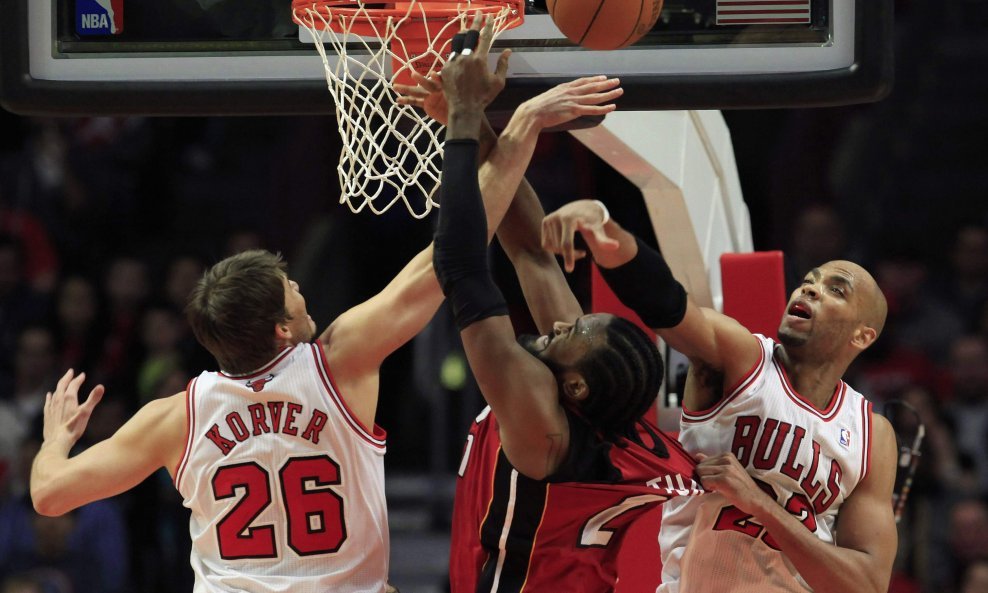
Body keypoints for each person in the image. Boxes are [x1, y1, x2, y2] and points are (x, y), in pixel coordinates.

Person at [27, 18, 622, 593]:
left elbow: (50, 496)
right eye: (293, 291)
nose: (304, 289)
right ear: (284, 330)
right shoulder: (339, 360)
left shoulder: (174, 418)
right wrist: (517, 130)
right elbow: (451, 255)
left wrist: (57, 440)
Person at [421, 21, 702, 593]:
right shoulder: (588, 400)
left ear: (574, 386)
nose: (551, 328)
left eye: (562, 336)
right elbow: (529, 252)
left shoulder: (540, 427)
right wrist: (478, 122)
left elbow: (459, 265)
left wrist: (468, 121)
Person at [540, 199, 899, 593]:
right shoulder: (741, 358)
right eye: (810, 279)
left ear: (862, 336)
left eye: (836, 290)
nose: (811, 288)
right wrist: (605, 227)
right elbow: (665, 303)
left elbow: (867, 583)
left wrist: (761, 506)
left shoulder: (871, 435)